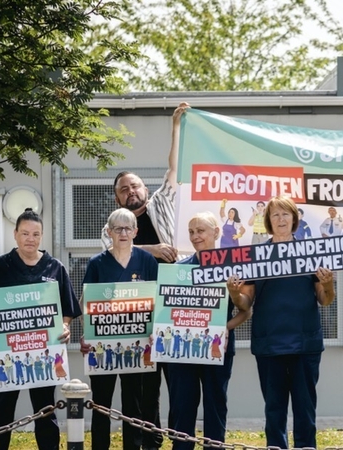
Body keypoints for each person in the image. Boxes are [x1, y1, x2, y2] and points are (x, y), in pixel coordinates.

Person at [100, 103, 189, 448]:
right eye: (124, 189)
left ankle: (178, 439)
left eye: (135, 186)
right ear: (116, 198)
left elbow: (174, 166)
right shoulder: (113, 227)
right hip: (138, 316)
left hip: (175, 306)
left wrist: (176, 126)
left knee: (178, 381)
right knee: (145, 386)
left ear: (145, 189)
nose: (131, 192)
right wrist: (152, 250)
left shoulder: (163, 203)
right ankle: (147, 442)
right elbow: (107, 250)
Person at [227, 196, 336, 449]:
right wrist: (234, 293)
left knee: (305, 411)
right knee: (274, 412)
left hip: (305, 344)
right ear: (268, 221)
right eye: (275, 215)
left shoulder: (310, 252)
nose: (281, 219)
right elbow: (246, 302)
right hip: (269, 344)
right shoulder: (256, 255)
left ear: (295, 219)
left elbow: (325, 300)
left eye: (286, 214)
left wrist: (329, 284)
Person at [0, 208, 80, 450]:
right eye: (25, 233)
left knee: (45, 408)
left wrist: (64, 325)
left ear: (41, 236)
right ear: (15, 234)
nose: (30, 239)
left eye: (35, 234)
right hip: (8, 354)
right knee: (1, 408)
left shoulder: (55, 268)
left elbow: (68, 310)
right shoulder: (1, 266)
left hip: (44, 353)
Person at [168, 211, 252, 450]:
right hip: (183, 351)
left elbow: (246, 311)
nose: (195, 236)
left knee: (215, 406)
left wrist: (222, 328)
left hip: (217, 349)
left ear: (216, 232)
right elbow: (167, 311)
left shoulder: (233, 267)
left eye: (201, 231)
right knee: (182, 406)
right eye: (191, 232)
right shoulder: (179, 269)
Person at [81, 208, 159, 450]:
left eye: (128, 228)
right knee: (101, 402)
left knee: (133, 404)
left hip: (136, 346)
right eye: (117, 228)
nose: (123, 233)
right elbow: (88, 303)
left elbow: (158, 300)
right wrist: (86, 334)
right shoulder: (96, 264)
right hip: (103, 345)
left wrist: (156, 330)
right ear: (109, 232)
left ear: (136, 231)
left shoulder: (147, 261)